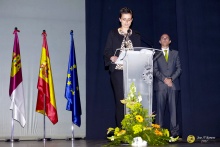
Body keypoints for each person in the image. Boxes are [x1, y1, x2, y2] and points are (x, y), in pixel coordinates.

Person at [104, 7, 141, 128]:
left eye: (129, 19)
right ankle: (121, 130)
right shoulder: (113, 33)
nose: (126, 22)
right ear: (120, 19)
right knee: (121, 102)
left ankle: (133, 129)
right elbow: (107, 51)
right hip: (119, 72)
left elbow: (138, 53)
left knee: (133, 102)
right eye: (124, 19)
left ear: (132, 20)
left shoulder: (135, 35)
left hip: (133, 73)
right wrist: (112, 57)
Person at [153, 34, 181, 140]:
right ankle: (158, 133)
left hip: (173, 85)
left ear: (170, 41)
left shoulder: (175, 53)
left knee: (173, 110)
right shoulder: (156, 54)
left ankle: (174, 133)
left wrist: (171, 79)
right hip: (160, 86)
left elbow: (179, 69)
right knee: (160, 111)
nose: (164, 39)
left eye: (167, 38)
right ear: (160, 41)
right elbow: (155, 70)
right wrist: (165, 79)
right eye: (162, 38)